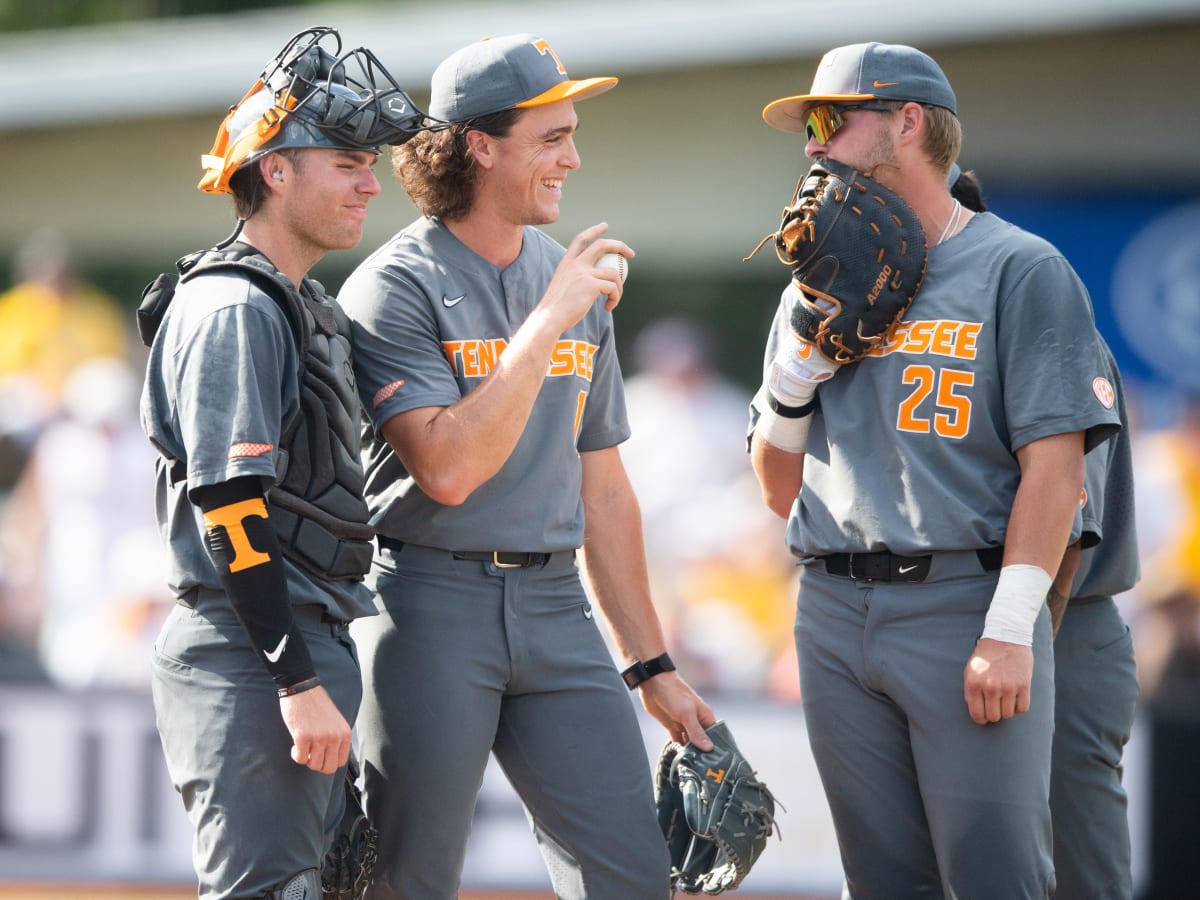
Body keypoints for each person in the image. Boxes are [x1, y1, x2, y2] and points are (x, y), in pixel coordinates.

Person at [337, 33, 715, 900]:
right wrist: (547, 321)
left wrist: (650, 664)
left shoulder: (569, 278)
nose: (573, 159)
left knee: (632, 878)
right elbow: (448, 471)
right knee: (405, 882)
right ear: (479, 143)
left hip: (556, 607)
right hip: (429, 603)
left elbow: (605, 490)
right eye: (552, 138)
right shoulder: (395, 285)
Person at [747, 43, 1121, 897]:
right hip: (834, 606)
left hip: (965, 601)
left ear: (907, 123)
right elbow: (776, 490)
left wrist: (1009, 628)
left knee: (996, 874)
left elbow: (1057, 475)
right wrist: (795, 375)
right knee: (879, 879)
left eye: (830, 120)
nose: (812, 144)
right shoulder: (814, 278)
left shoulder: (1018, 267)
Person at [137, 27, 427, 899]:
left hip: (298, 635)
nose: (371, 181)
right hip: (251, 648)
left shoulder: (307, 303)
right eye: (346, 161)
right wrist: (294, 677)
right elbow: (227, 503)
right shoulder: (235, 304)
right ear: (275, 169)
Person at [951, 164, 1142, 899]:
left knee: (1074, 872)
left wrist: (1018, 646)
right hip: (983, 627)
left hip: (1063, 630)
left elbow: (1066, 526)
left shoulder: (1036, 317)